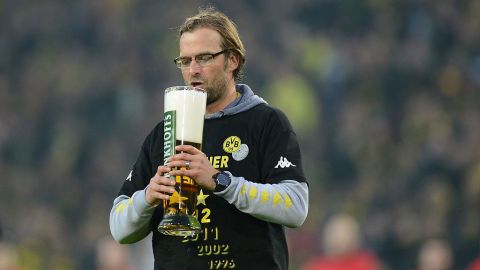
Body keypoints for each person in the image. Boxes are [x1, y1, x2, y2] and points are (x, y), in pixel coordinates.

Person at [109, 7, 309, 270]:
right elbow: (119, 228)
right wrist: (147, 197)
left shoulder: (266, 122)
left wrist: (220, 180)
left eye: (204, 58)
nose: (193, 70)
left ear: (233, 60)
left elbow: (295, 206)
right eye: (185, 60)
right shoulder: (163, 133)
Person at [301, 213, 382, 270]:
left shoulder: (366, 263)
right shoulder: (315, 266)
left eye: (346, 232)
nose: (340, 238)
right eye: (336, 232)